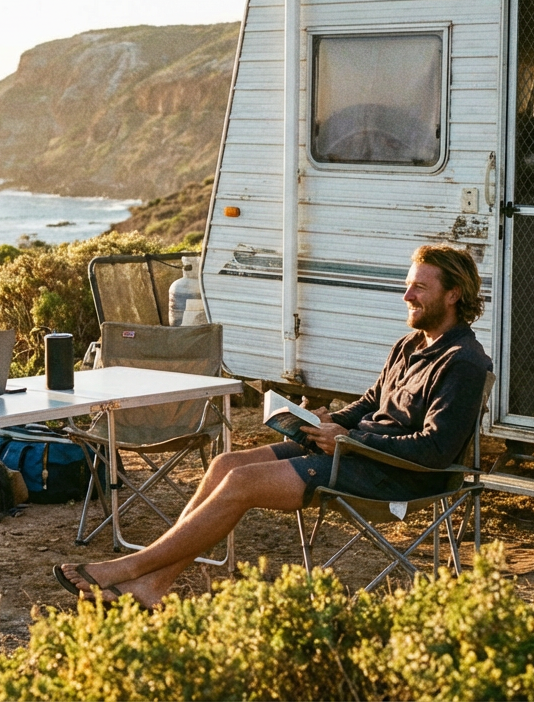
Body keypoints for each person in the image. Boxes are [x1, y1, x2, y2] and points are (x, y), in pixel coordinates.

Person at [54, 244, 492, 607]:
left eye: (419, 287)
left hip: (394, 475)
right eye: (407, 285)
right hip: (352, 452)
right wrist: (325, 421)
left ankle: (131, 568)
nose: (407, 296)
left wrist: (352, 438)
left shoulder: (465, 363)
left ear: (453, 294)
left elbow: (435, 450)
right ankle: (152, 586)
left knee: (242, 484)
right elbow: (371, 403)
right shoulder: (411, 343)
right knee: (226, 464)